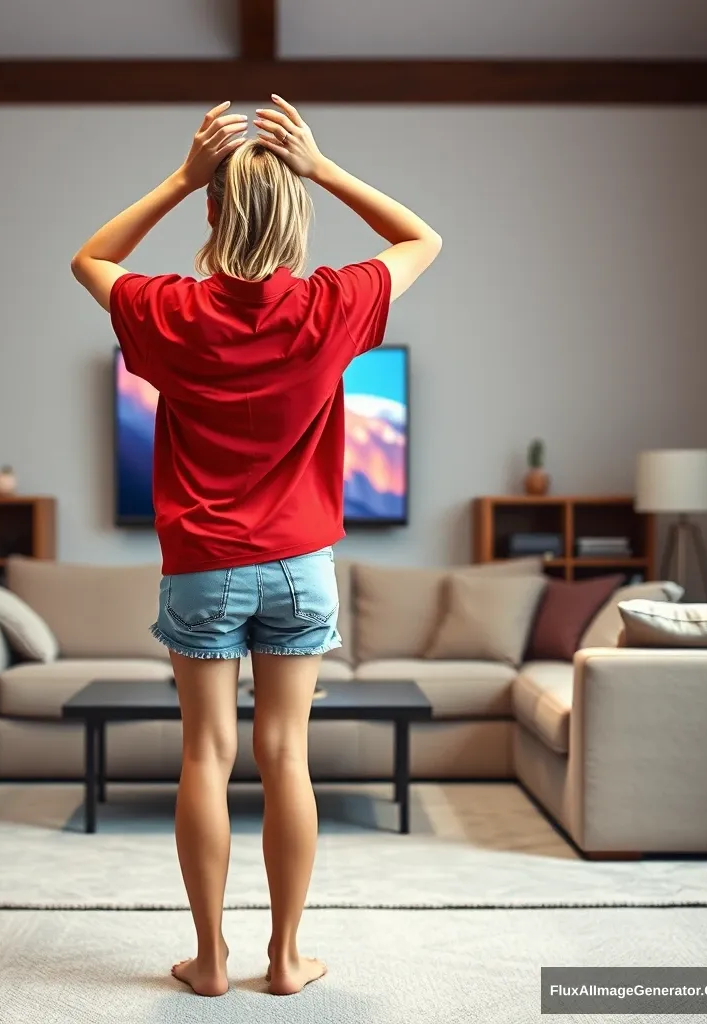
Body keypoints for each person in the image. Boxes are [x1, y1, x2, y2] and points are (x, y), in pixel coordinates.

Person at [71, 96, 441, 997]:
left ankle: (209, 961)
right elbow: (423, 239)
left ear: (210, 211)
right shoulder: (332, 305)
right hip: (302, 568)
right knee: (286, 757)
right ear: (299, 214)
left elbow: (91, 258)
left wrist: (180, 176)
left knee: (207, 755)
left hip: (202, 565)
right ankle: (284, 959)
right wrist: (323, 167)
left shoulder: (172, 312)